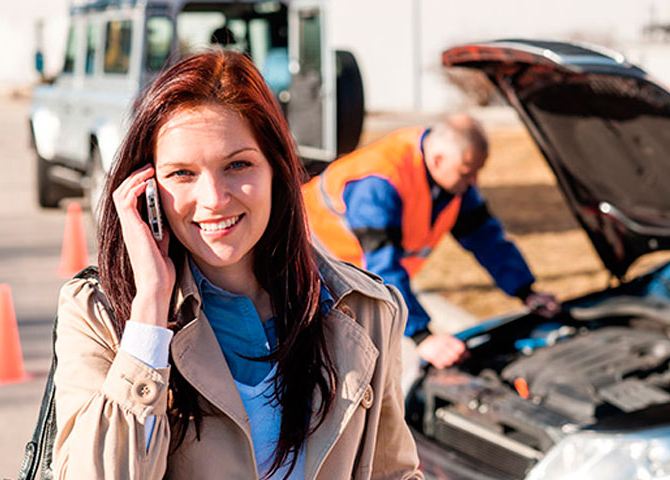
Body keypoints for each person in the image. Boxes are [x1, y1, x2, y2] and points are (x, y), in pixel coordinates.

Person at [52, 50, 423, 480]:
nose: (213, 199)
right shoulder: (101, 314)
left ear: (276, 171)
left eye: (238, 165)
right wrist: (149, 313)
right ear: (147, 191)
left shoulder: (364, 309)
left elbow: (392, 472)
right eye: (182, 174)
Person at [303, 114, 559, 370]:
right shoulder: (379, 183)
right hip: (309, 268)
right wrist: (422, 336)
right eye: (467, 172)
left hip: (355, 277)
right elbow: (381, 268)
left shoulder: (454, 179)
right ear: (438, 160)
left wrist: (526, 291)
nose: (474, 182)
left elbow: (487, 240)